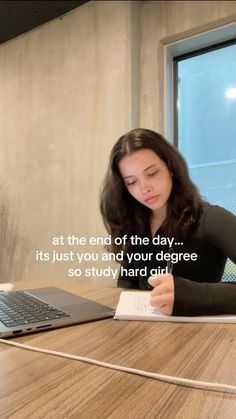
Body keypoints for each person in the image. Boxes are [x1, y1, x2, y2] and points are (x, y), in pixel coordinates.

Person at [100, 128, 236, 316]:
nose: (144, 188)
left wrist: (191, 295)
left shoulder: (212, 219)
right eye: (131, 182)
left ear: (170, 167)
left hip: (199, 339)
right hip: (142, 336)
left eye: (152, 173)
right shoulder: (134, 224)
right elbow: (126, 284)